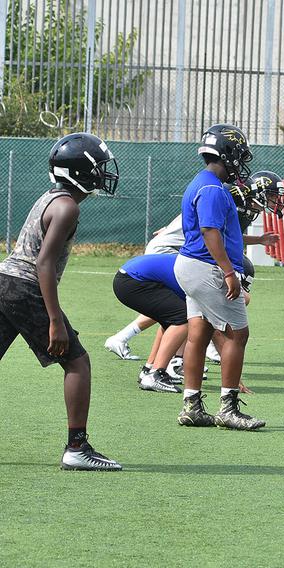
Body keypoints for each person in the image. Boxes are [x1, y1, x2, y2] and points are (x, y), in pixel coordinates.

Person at [0, 132, 122, 470]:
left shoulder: (53, 197)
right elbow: (44, 263)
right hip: (24, 286)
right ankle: (76, 448)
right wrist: (54, 320)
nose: (103, 174)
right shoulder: (66, 206)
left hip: (6, 282)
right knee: (77, 362)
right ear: (80, 172)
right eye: (98, 168)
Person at [173, 123, 264, 430]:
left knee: (198, 333)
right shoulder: (212, 187)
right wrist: (228, 271)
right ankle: (229, 407)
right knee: (238, 334)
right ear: (230, 155)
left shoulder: (203, 182)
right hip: (206, 267)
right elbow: (210, 231)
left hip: (192, 265)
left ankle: (192, 404)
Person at [104, 214, 185, 361]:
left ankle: (163, 363)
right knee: (182, 311)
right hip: (165, 250)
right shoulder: (220, 194)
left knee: (176, 310)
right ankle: (174, 361)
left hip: (168, 247)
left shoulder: (216, 194)